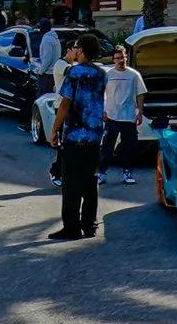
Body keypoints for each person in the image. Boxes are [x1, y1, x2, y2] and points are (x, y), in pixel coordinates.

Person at [47, 38, 108, 241]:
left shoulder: (74, 73)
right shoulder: (102, 74)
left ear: (81, 50)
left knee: (71, 183)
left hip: (74, 134)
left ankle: (71, 227)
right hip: (94, 134)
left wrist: (55, 129)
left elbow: (65, 103)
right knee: (90, 182)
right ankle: (89, 224)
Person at [100, 43, 144, 185]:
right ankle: (102, 173)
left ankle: (127, 172)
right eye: (117, 58)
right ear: (113, 59)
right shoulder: (107, 75)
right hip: (111, 116)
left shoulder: (134, 75)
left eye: (123, 57)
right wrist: (103, 110)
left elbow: (140, 94)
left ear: (126, 58)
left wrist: (140, 112)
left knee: (129, 147)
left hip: (128, 117)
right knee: (107, 147)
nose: (121, 60)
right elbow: (100, 93)